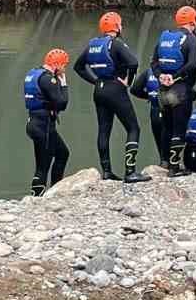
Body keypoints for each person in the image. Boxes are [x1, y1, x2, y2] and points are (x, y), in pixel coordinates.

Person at [74, 11, 150, 183]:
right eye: (120, 24)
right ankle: (130, 172)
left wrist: (94, 81)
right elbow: (134, 63)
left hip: (99, 90)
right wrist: (128, 82)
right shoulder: (115, 44)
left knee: (103, 130)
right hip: (116, 89)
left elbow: (78, 67)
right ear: (116, 27)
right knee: (133, 128)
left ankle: (107, 172)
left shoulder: (93, 45)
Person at [150, 5, 196, 176]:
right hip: (180, 90)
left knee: (167, 126)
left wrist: (161, 76)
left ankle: (165, 161)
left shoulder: (164, 37)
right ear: (194, 21)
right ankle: (174, 167)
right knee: (179, 128)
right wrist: (176, 76)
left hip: (163, 90)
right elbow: (193, 64)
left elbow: (154, 62)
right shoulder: (190, 39)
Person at [23, 49, 71, 196]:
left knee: (62, 153)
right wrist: (63, 83)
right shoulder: (49, 79)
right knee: (43, 165)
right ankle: (37, 198)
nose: (65, 69)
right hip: (43, 125)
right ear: (57, 65)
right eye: (64, 65)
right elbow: (62, 103)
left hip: (36, 123)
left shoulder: (33, 73)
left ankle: (54, 190)